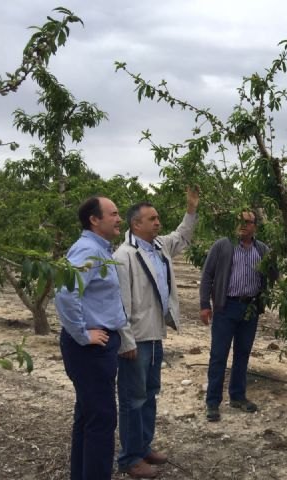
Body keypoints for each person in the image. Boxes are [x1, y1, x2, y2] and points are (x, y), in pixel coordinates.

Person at [114, 187, 199, 478]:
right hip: (136, 337)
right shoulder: (124, 256)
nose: (158, 222)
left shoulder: (159, 246)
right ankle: (129, 458)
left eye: (158, 218)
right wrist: (125, 340)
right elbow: (121, 303)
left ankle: (143, 446)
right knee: (132, 399)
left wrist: (191, 209)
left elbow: (183, 235)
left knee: (150, 394)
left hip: (154, 334)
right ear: (136, 224)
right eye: (152, 219)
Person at [54, 196, 127, 480]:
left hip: (97, 346)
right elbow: (64, 292)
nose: (119, 218)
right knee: (102, 419)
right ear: (94, 220)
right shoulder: (87, 250)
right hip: (90, 350)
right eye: (114, 213)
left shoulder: (98, 249)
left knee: (88, 416)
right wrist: (83, 334)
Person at [199, 210, 272, 422]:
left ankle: (238, 396)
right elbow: (207, 276)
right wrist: (205, 305)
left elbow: (272, 275)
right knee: (219, 355)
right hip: (226, 307)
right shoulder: (222, 245)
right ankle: (213, 402)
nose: (243, 225)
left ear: (255, 226)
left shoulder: (262, 249)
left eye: (248, 222)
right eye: (240, 221)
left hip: (249, 309)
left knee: (243, 354)